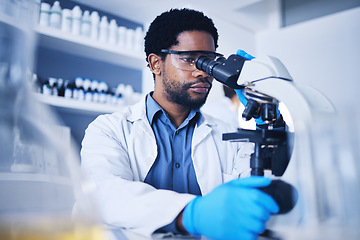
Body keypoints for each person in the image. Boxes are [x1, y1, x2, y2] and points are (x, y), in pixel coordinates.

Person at [80, 8, 280, 240]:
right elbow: (104, 194)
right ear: (156, 63)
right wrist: (192, 214)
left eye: (209, 62)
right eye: (189, 59)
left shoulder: (228, 135)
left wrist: (270, 121)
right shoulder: (109, 129)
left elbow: (262, 188)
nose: (203, 73)